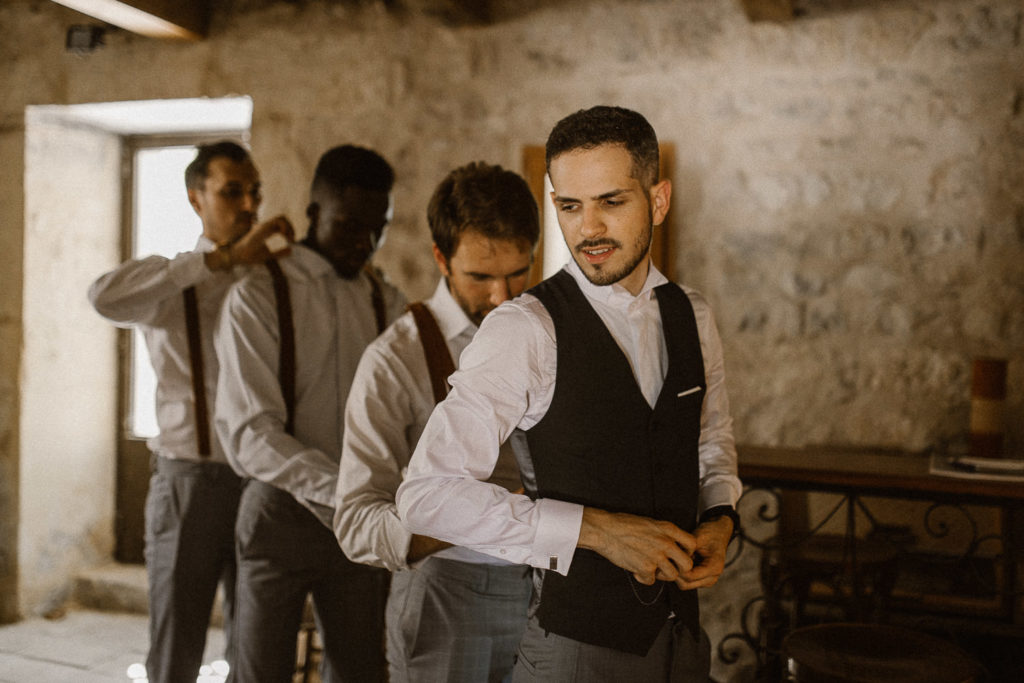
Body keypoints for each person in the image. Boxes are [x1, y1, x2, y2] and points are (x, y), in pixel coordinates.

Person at [396, 106, 742, 682]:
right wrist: (598, 532)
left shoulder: (693, 315)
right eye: (569, 206)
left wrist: (721, 515)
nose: (589, 230)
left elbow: (712, 438)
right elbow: (426, 495)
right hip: (576, 654)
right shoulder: (525, 329)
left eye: (612, 202)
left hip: (683, 643)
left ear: (658, 201)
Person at [88, 141, 292, 683]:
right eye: (232, 192)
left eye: (255, 193)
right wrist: (218, 261)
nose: (248, 205)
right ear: (195, 198)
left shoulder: (271, 282)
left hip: (262, 481)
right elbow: (103, 297)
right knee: (177, 644)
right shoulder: (171, 277)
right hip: (190, 481)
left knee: (256, 645)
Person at [336, 161, 540, 682]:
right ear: (440, 259)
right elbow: (356, 522)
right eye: (480, 277)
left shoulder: (547, 333)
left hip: (548, 589)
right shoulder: (392, 361)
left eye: (518, 272)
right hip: (446, 596)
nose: (503, 296)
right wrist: (472, 515)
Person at [214, 144, 406, 683]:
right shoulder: (258, 294)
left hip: (362, 521)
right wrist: (345, 486)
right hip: (280, 514)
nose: (365, 242)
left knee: (362, 670)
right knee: (260, 672)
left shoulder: (384, 301)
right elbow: (252, 435)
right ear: (314, 212)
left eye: (379, 227)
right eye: (350, 225)